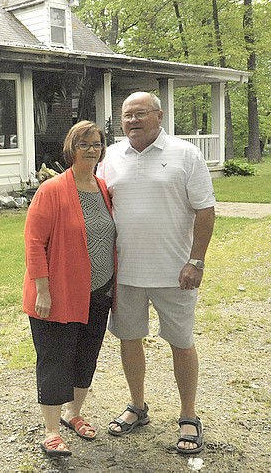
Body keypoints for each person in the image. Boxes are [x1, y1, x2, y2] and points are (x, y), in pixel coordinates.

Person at [98, 91, 214, 455]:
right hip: (126, 272)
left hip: (174, 272)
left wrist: (196, 261)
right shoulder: (111, 156)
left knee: (181, 342)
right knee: (128, 339)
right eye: (127, 115)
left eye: (141, 114)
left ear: (159, 116)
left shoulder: (186, 154)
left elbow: (205, 210)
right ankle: (137, 405)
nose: (133, 121)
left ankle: (188, 415)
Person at [23, 120, 117, 457]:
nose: (91, 149)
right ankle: (51, 431)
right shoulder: (52, 189)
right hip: (59, 293)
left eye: (97, 143)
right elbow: (34, 243)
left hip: (99, 292)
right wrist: (42, 291)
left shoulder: (104, 187)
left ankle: (73, 414)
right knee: (55, 357)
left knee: (85, 357)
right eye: (84, 144)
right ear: (71, 148)